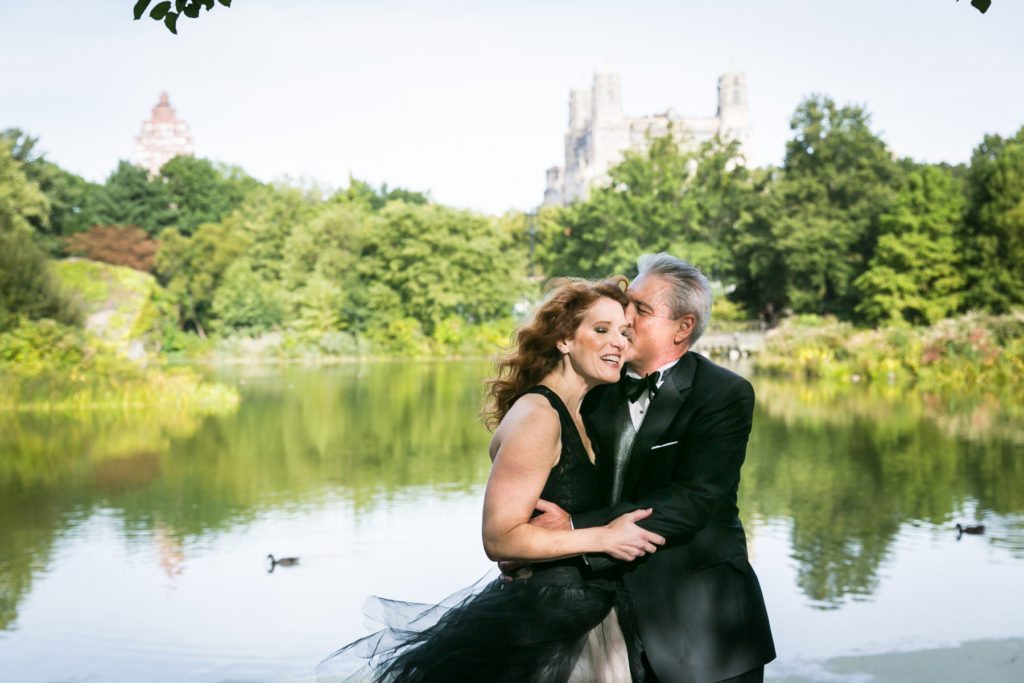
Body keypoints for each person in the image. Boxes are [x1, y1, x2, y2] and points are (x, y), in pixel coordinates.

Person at [319, 276, 666, 682]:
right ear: (565, 341)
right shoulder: (538, 416)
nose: (618, 343)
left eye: (624, 332)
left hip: (587, 615)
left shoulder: (584, 413)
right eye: (601, 330)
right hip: (543, 625)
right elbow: (499, 538)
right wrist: (602, 536)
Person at [520, 253, 776, 682]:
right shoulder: (597, 385)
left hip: (704, 631)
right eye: (626, 304)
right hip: (599, 625)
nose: (626, 317)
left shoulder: (724, 394)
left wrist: (574, 530)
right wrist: (528, 544)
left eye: (640, 309)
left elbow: (692, 502)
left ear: (682, 327)